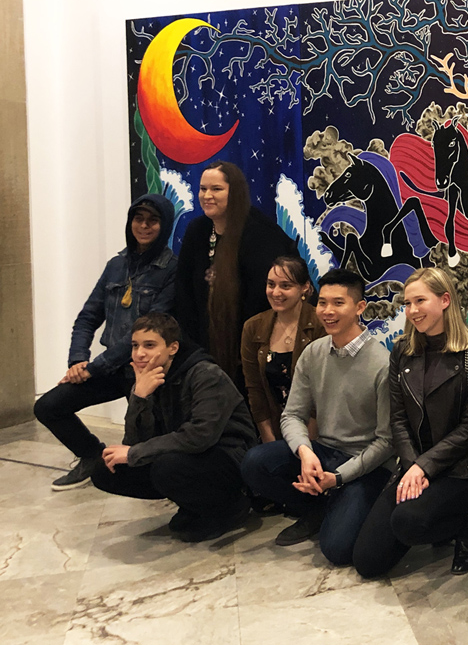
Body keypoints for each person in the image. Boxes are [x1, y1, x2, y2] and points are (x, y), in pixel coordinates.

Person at [238, 268, 393, 566]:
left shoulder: (382, 364)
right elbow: (292, 414)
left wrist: (338, 478)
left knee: (337, 550)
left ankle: (337, 499)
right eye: (322, 303)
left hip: (365, 465)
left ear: (359, 307)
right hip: (323, 451)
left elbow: (387, 442)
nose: (327, 311)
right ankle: (316, 506)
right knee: (254, 463)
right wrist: (305, 451)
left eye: (338, 303)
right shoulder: (313, 353)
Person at [352, 268, 468, 578]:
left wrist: (424, 466)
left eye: (420, 301)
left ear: (445, 300)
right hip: (413, 465)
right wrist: (412, 465)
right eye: (407, 303)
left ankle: (463, 527)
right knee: (367, 562)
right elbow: (398, 419)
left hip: (460, 470)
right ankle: (438, 521)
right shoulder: (402, 351)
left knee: (408, 522)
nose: (412, 310)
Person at [35, 194, 177, 490]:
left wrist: (94, 367)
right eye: (138, 219)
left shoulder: (171, 269)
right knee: (48, 406)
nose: (144, 226)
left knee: (146, 450)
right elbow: (87, 317)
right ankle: (90, 455)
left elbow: (146, 333)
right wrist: (77, 362)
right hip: (108, 370)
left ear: (164, 226)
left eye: (153, 221)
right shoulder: (116, 265)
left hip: (145, 372)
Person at [91, 313, 257, 542]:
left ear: (173, 347)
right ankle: (194, 505)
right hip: (187, 456)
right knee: (105, 468)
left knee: (166, 466)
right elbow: (134, 441)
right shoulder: (147, 377)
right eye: (135, 345)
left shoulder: (205, 374)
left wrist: (134, 453)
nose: (139, 353)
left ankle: (231, 507)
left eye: (149, 345)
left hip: (228, 458)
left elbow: (200, 436)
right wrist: (139, 396)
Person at [175, 161, 294, 384]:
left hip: (250, 350)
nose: (207, 195)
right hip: (203, 347)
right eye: (203, 189)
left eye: (216, 189)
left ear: (235, 192)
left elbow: (265, 299)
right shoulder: (196, 231)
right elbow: (184, 292)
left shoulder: (261, 234)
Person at [240, 256, 324, 443]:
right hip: (275, 428)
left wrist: (305, 445)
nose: (276, 292)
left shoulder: (321, 325)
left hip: (317, 432)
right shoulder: (253, 327)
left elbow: (321, 393)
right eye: (271, 284)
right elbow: (255, 389)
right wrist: (269, 438)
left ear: (304, 288)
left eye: (285, 286)